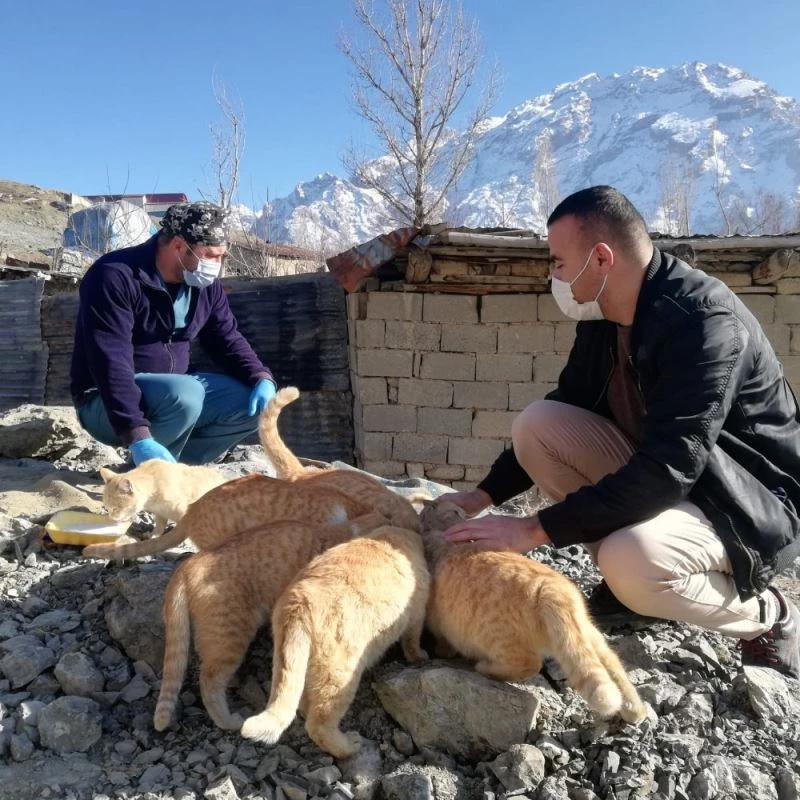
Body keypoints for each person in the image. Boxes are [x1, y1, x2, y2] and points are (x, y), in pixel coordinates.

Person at [443, 185, 800, 679]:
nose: (555, 277)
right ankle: (632, 591)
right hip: (672, 477)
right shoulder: (604, 318)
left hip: (746, 503)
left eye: (559, 262)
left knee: (630, 559)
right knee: (537, 427)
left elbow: (670, 466)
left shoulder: (702, 323)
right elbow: (568, 403)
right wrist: (482, 497)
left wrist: (531, 530)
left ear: (602, 258)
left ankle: (770, 616)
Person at [70, 201, 276, 466]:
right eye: (211, 255)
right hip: (104, 402)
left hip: (173, 395)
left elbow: (226, 337)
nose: (217, 264)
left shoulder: (204, 285)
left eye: (221, 255)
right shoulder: (114, 276)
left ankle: (178, 470)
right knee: (185, 394)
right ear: (179, 245)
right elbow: (110, 360)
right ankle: (143, 473)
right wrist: (136, 434)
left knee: (257, 405)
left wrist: (260, 376)